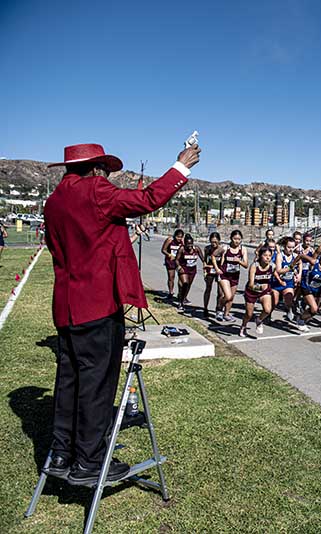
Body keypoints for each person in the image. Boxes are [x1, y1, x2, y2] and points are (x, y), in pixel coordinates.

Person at [43, 141, 200, 484]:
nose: (108, 177)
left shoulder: (53, 201)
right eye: (107, 172)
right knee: (97, 385)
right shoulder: (97, 191)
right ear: (97, 169)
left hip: (66, 305)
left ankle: (60, 454)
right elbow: (146, 201)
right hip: (97, 304)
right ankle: (89, 461)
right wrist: (181, 167)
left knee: (69, 382)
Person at [240, 246, 276, 337]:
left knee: (267, 310)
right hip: (252, 291)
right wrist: (260, 288)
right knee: (249, 314)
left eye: (269, 255)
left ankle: (259, 320)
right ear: (260, 256)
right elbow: (250, 285)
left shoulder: (272, 266)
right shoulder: (254, 266)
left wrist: (292, 266)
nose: (268, 257)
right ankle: (243, 326)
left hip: (265, 291)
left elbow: (278, 272)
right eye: (265, 255)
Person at [213, 230, 248, 322]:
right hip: (224, 274)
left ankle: (226, 314)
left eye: (239, 239)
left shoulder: (242, 249)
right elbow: (213, 255)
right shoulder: (225, 248)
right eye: (235, 239)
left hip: (235, 275)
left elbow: (246, 265)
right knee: (227, 296)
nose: (237, 241)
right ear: (231, 238)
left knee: (231, 297)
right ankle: (219, 308)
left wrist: (239, 261)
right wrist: (217, 268)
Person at [175, 234, 203, 311]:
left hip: (192, 270)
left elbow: (202, 258)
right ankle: (180, 303)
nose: (190, 246)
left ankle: (183, 298)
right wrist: (179, 267)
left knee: (188, 285)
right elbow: (176, 259)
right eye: (188, 244)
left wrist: (206, 265)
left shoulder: (196, 249)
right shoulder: (182, 249)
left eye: (191, 244)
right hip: (183, 269)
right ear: (185, 244)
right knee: (185, 283)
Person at [202, 232, 222, 317]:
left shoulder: (221, 249)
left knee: (220, 292)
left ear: (219, 241)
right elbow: (205, 260)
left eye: (215, 242)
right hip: (210, 271)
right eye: (212, 242)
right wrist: (205, 271)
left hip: (219, 271)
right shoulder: (207, 249)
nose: (214, 244)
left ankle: (218, 309)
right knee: (208, 289)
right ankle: (205, 308)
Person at [161, 229, 184, 299]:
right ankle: (171, 292)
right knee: (171, 277)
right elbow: (163, 250)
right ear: (175, 236)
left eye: (181, 237)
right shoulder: (170, 240)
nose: (179, 239)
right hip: (170, 261)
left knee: (181, 278)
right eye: (178, 237)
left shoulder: (182, 242)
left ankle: (180, 294)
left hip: (179, 261)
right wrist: (169, 255)